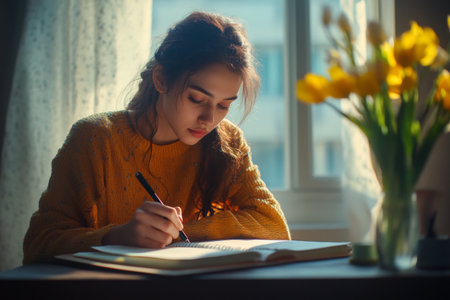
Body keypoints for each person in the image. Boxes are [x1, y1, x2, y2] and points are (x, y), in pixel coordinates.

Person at [23, 11, 291, 264]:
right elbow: (39, 242)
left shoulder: (227, 141)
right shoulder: (95, 139)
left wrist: (183, 234)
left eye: (224, 105)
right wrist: (118, 236)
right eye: (196, 98)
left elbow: (274, 225)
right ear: (161, 79)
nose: (209, 119)